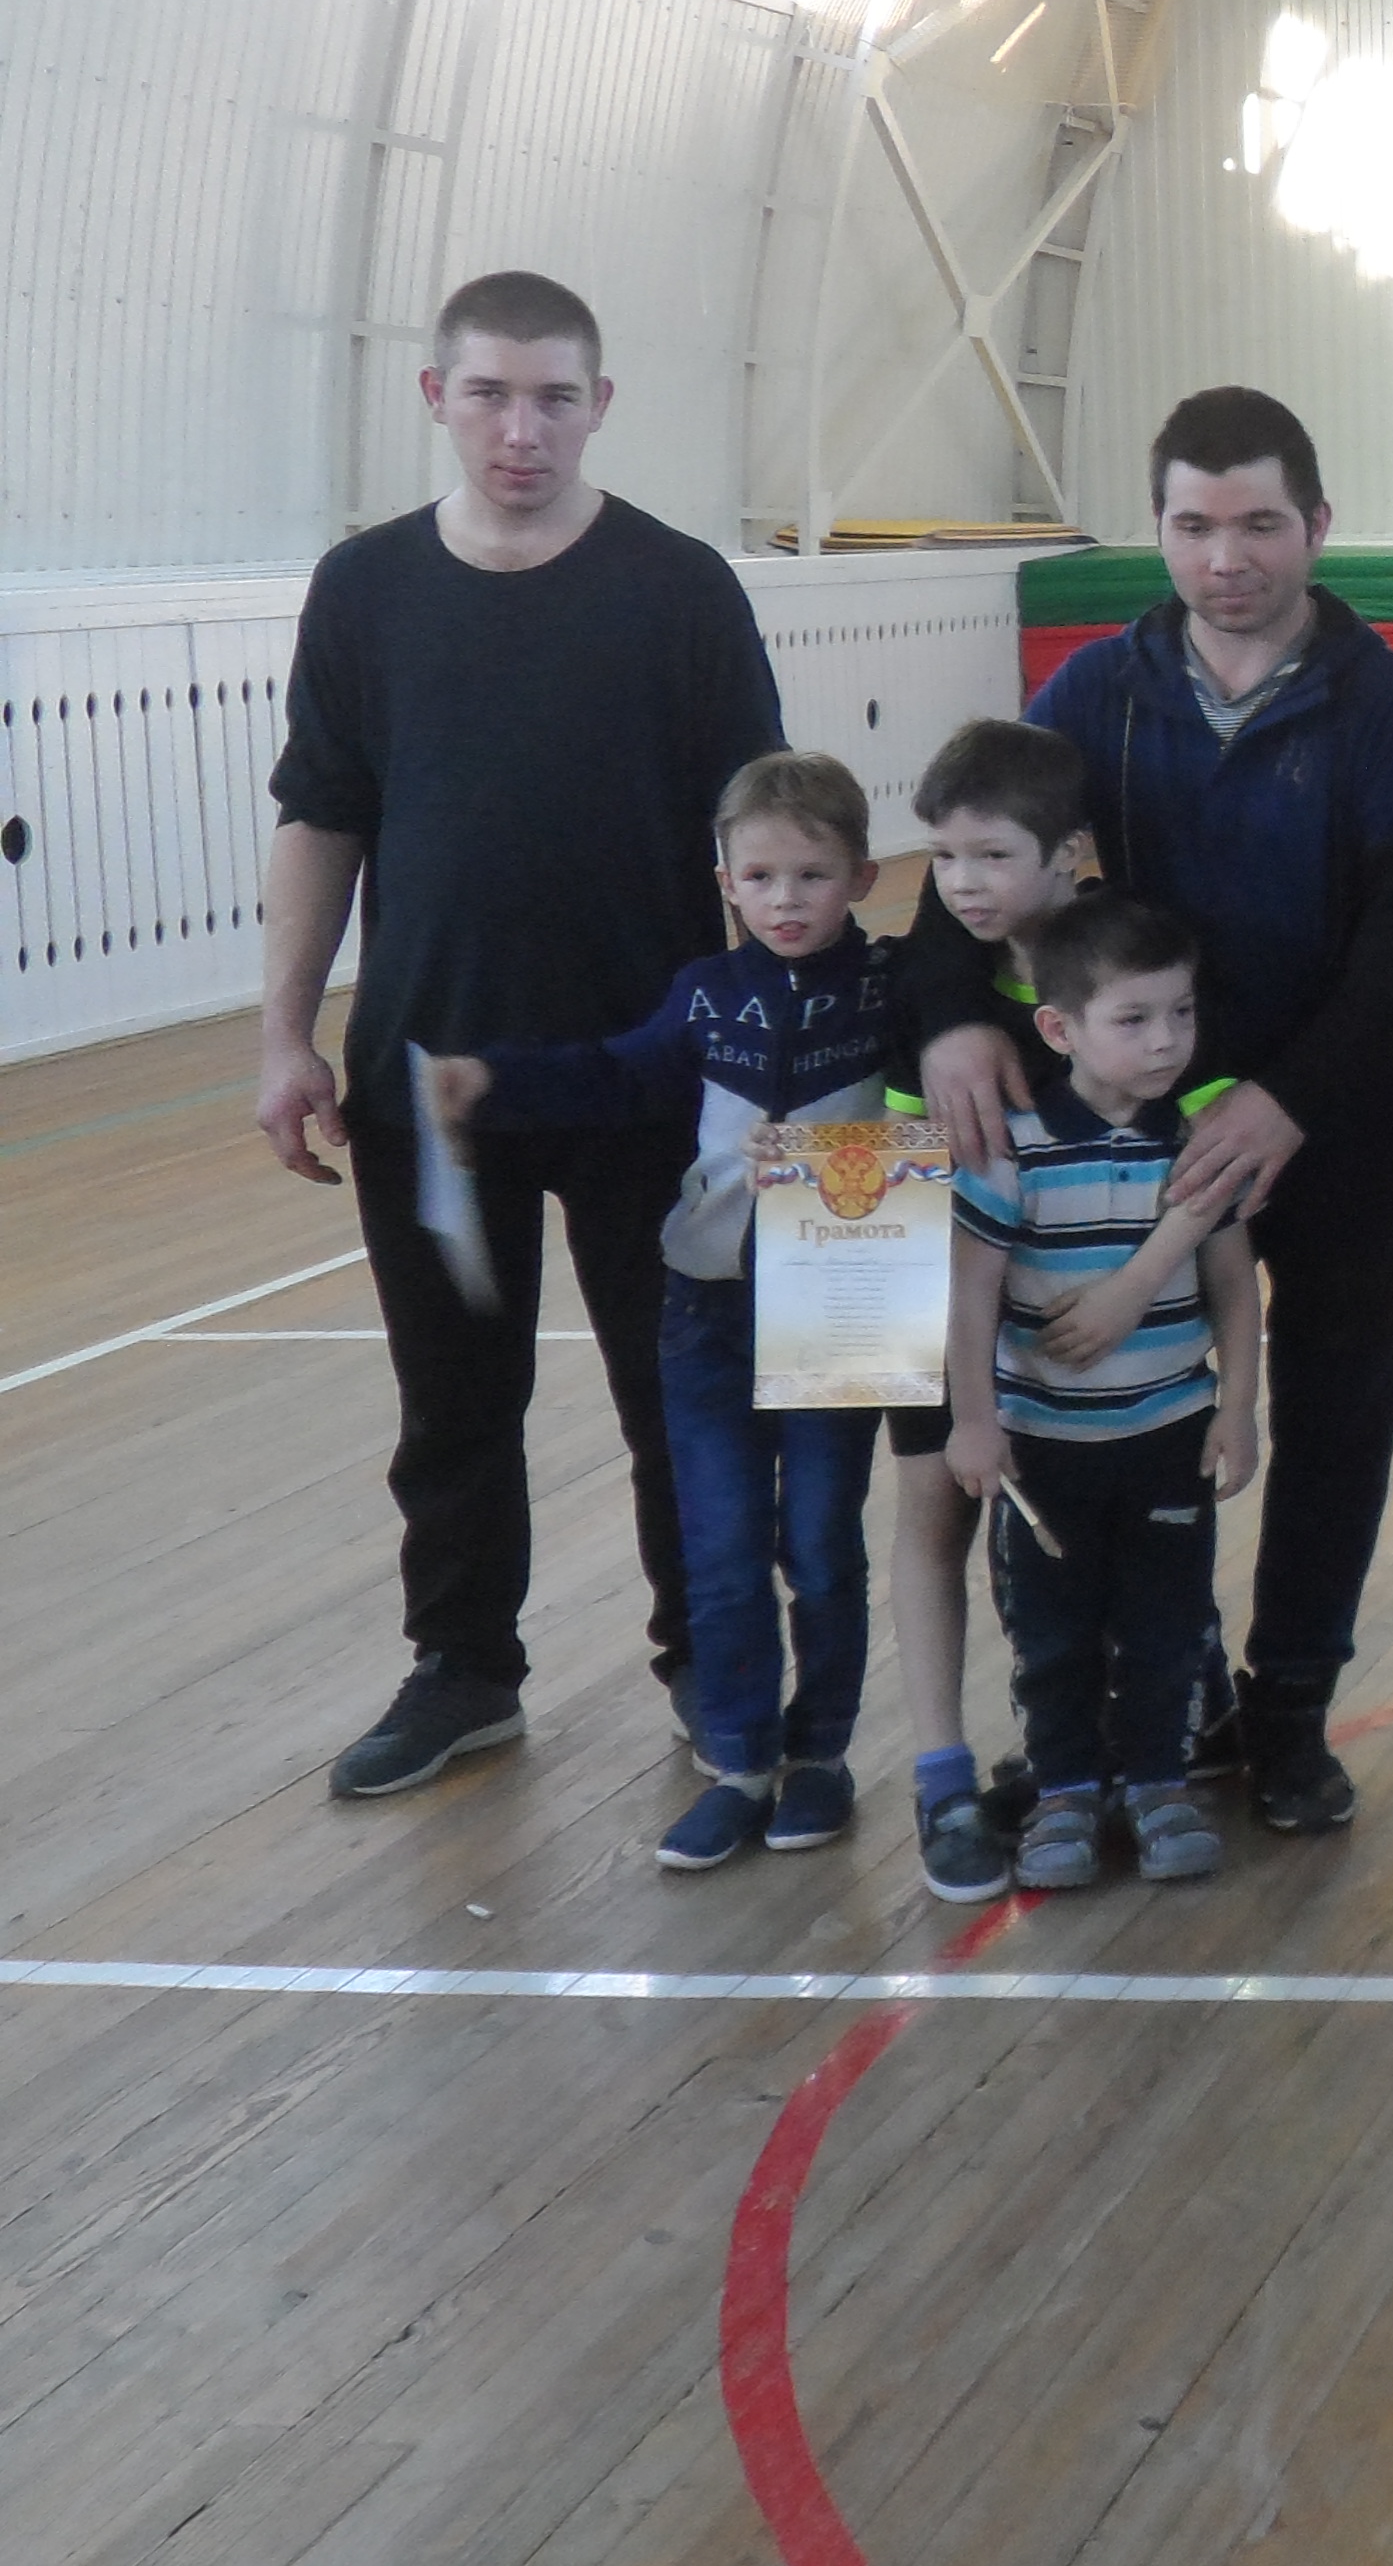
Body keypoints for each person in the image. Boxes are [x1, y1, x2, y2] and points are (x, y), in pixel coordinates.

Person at [900, 387, 1393, 1839]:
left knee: (1333, 1421)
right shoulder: (1092, 694)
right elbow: (976, 859)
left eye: (1260, 524)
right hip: (1115, 1149)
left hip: (1340, 1129)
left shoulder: (1391, 707)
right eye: (1196, 526)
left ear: (1317, 526)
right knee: (1107, 1432)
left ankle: (1288, 1715)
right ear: (1155, 529)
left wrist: (1285, 1101)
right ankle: (1140, 1717)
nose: (1228, 558)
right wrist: (950, 1013)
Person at [259, 269, 788, 1802]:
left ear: (599, 406)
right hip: (430, 1091)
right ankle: (464, 1671)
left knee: (679, 1397)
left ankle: (712, 1663)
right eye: (489, 393)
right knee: (453, 1405)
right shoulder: (363, 590)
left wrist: (797, 1053)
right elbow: (322, 814)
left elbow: (767, 835)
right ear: (437, 397)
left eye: (554, 397)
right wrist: (285, 1034)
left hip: (652, 1088)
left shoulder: (681, 588)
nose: (520, 429)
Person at [419, 750, 904, 1873]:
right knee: (721, 1551)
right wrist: (489, 1079)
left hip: (844, 1295)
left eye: (813, 876)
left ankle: (820, 1756)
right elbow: (617, 1073)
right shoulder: (704, 993)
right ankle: (738, 1763)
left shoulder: (896, 988)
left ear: (862, 876)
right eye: (762, 877)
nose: (787, 900)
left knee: (822, 1546)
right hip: (709, 1313)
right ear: (725, 881)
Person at [886, 718, 1224, 1904]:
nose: (962, 884)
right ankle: (943, 1775)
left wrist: (1143, 1277)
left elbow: (1208, 1163)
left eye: (992, 857)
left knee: (1113, 1548)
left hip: (1113, 1358)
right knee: (931, 1501)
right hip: (927, 1277)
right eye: (945, 859)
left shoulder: (1134, 976)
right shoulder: (931, 976)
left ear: (1070, 851)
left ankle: (1129, 1745)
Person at [946, 899, 1264, 1892]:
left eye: (1181, 1013)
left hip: (1169, 1436)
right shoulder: (1013, 1151)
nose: (1166, 1040)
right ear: (1059, 1028)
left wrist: (1238, 1408)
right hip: (1043, 1448)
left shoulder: (1199, 1142)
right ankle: (1066, 1791)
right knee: (1051, 1636)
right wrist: (974, 1422)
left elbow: (1234, 1288)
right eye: (1134, 1019)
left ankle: (1161, 1784)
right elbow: (971, 1296)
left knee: (1169, 1624)